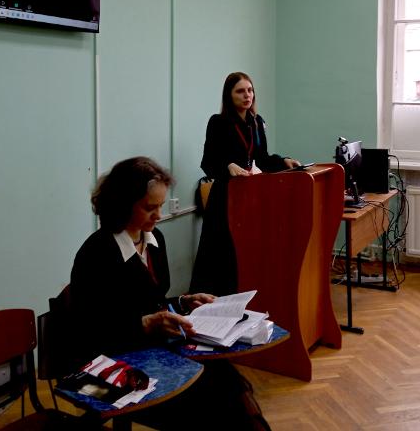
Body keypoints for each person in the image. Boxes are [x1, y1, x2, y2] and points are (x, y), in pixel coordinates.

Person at [68, 156, 270, 430]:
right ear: (123, 205)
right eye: (149, 207)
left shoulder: (154, 240)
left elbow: (153, 301)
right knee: (211, 404)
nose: (159, 215)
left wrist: (184, 302)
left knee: (230, 384)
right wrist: (144, 324)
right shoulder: (97, 254)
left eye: (161, 206)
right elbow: (90, 329)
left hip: (154, 349)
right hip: (118, 360)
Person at [190, 72, 300, 296]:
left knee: (243, 253)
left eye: (250, 90)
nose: (247, 95)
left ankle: (242, 300)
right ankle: (210, 304)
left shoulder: (256, 122)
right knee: (219, 255)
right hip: (224, 198)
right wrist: (228, 166)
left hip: (248, 198)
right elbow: (207, 162)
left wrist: (283, 161)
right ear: (229, 95)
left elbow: (263, 159)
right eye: (240, 91)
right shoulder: (218, 122)